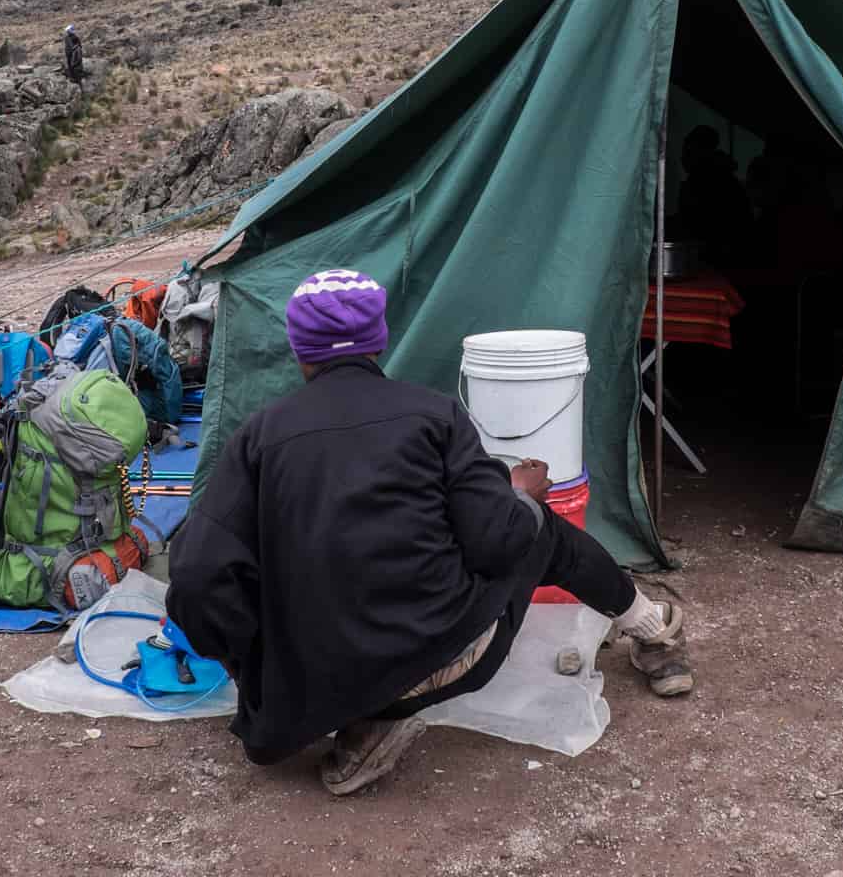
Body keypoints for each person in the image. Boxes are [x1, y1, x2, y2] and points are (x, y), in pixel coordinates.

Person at [168, 270, 693, 797]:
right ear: (380, 340)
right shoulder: (433, 416)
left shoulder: (256, 438)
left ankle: (366, 724)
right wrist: (518, 495)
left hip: (306, 687)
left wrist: (251, 663)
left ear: (298, 349)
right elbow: (497, 542)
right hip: (440, 659)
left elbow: (194, 578)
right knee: (538, 529)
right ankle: (653, 633)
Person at [678, 126, 752, 266]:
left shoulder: (713, 183)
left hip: (720, 261)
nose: (683, 157)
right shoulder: (709, 179)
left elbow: (701, 226)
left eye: (688, 151)